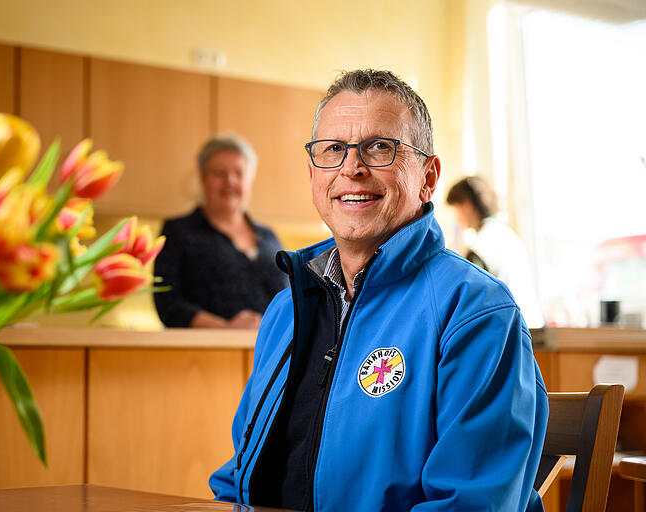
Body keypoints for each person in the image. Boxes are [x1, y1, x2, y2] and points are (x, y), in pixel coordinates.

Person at [209, 70, 548, 511]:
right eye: (333, 149)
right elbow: (239, 480)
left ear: (428, 177)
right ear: (313, 175)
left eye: (379, 147)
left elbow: (472, 503)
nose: (352, 167)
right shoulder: (284, 311)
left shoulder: (476, 312)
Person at [154, 134, 288, 329]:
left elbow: (288, 300)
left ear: (249, 181)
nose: (230, 181)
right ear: (203, 179)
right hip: (206, 352)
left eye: (239, 174)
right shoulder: (178, 232)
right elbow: (168, 302)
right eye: (219, 173)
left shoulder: (269, 237)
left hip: (273, 353)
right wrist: (225, 329)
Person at [446, 176, 544, 328]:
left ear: (467, 205)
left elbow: (472, 304)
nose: (458, 219)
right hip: (532, 328)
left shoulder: (479, 248)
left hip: (506, 331)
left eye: (457, 210)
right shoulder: (510, 235)